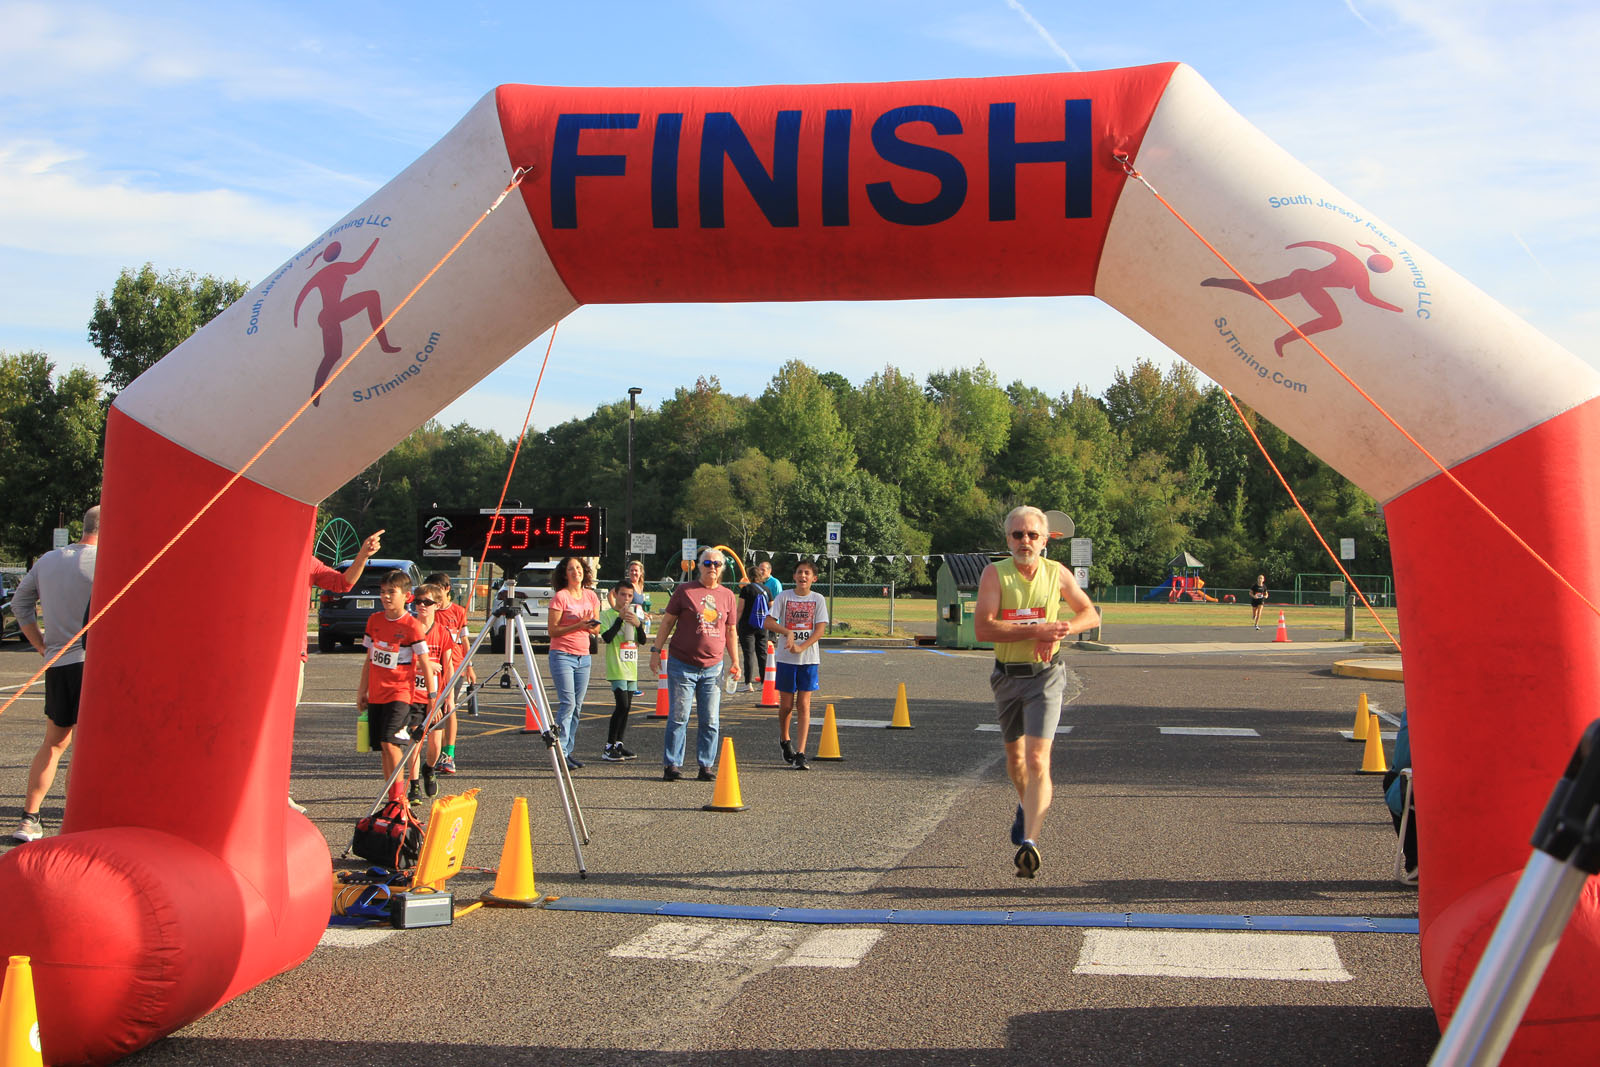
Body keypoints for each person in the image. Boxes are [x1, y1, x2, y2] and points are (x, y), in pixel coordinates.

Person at [973, 505, 1098, 879]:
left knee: (1038, 759)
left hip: (1046, 676)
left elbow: (1090, 614)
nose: (1024, 541)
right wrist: (1037, 630)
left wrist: (1061, 629)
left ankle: (1029, 842)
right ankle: (1026, 805)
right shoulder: (995, 574)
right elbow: (984, 628)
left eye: (1032, 535)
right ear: (1008, 539)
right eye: (1018, 534)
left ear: (1045, 540)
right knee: (1015, 762)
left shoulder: (1056, 573)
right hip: (1007, 677)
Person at [9, 505, 99, 844]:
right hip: (92, 664)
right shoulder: (107, 561)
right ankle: (75, 822)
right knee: (86, 746)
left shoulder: (47, 560)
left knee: (55, 742)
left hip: (59, 663)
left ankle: (29, 818)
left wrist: (42, 645)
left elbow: (20, 605)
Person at [651, 548, 739, 781]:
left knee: (710, 719)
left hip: (713, 666)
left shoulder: (728, 595)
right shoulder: (685, 591)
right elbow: (667, 622)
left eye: (717, 564)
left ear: (722, 568)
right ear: (699, 566)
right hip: (682, 664)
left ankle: (706, 765)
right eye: (707, 563)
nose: (712, 567)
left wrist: (736, 661)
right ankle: (672, 764)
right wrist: (655, 650)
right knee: (679, 716)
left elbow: (731, 630)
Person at [355, 569, 437, 807]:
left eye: (392, 592)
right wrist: (362, 691)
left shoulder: (412, 626)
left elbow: (425, 663)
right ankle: (392, 798)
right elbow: (369, 659)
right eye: (383, 592)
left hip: (400, 693)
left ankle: (401, 798)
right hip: (376, 694)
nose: (386, 596)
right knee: (383, 746)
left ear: (406, 596)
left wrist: (432, 697)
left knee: (392, 743)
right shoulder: (374, 621)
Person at [765, 560, 827, 770]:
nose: (803, 576)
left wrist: (802, 647)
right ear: (794, 576)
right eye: (799, 572)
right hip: (786, 659)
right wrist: (787, 632)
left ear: (813, 578)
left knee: (804, 704)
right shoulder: (784, 597)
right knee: (786, 705)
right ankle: (785, 739)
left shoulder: (817, 599)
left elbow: (819, 630)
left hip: (808, 659)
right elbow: (768, 621)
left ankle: (801, 752)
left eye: (807, 573)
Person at [547, 556, 601, 771]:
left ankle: (568, 751)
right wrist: (578, 625)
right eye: (571, 569)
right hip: (562, 655)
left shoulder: (591, 595)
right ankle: (560, 752)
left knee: (577, 706)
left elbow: (596, 629)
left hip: (583, 656)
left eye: (578, 568)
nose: (576, 572)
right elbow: (553, 630)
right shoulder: (561, 597)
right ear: (565, 574)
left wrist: (590, 626)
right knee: (567, 703)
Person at [406, 581, 456, 802]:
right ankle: (414, 785)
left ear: (437, 605)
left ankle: (429, 768)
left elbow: (448, 665)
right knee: (415, 741)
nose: (422, 606)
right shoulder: (409, 629)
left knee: (435, 745)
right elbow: (402, 661)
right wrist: (424, 665)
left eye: (427, 602)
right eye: (418, 601)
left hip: (436, 696)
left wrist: (449, 697)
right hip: (414, 694)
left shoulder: (442, 633)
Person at [425, 572, 477, 774]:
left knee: (449, 708)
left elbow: (464, 640)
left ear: (446, 589)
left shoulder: (458, 612)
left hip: (454, 667)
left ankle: (449, 754)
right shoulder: (430, 611)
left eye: (436, 589)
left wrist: (469, 665)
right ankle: (434, 752)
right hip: (432, 668)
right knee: (432, 709)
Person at [597, 578, 647, 761]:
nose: (626, 599)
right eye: (623, 595)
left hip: (631, 667)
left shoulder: (634, 614)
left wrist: (638, 625)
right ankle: (609, 745)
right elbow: (607, 637)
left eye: (630, 596)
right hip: (617, 666)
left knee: (627, 708)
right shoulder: (607, 615)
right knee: (622, 705)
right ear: (615, 595)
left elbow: (642, 640)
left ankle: (619, 743)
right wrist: (619, 619)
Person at [736, 577, 769, 693]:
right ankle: (764, 682)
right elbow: (771, 606)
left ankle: (748, 683)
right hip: (762, 625)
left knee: (748, 654)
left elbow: (740, 609)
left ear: (749, 577)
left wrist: (735, 623)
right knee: (762, 653)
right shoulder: (766, 589)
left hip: (747, 625)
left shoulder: (746, 589)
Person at [625, 558, 652, 696]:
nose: (634, 573)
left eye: (636, 570)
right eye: (631, 570)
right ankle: (630, 685)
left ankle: (631, 684)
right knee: (629, 654)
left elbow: (638, 606)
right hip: (629, 624)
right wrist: (618, 610)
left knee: (633, 654)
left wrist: (644, 614)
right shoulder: (627, 585)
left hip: (638, 623)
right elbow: (612, 595)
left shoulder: (639, 586)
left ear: (641, 572)